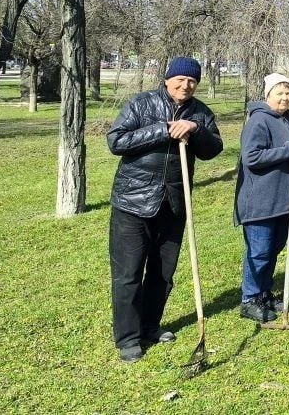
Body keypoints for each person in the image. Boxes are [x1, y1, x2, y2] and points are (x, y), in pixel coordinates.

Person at [107, 56, 223, 363]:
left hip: (173, 204)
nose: (185, 85)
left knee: (162, 274)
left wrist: (195, 130)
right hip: (132, 203)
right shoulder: (141, 104)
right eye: (180, 79)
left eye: (192, 81)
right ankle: (129, 338)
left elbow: (214, 149)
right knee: (128, 274)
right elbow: (116, 141)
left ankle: (149, 326)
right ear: (167, 79)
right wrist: (164, 129)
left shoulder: (200, 112)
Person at [234, 73, 289, 322]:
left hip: (282, 200)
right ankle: (249, 299)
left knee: (273, 249)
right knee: (259, 252)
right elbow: (251, 158)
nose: (285, 97)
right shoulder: (259, 120)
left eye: (288, 93)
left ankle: (263, 292)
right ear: (267, 95)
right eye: (279, 93)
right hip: (260, 201)